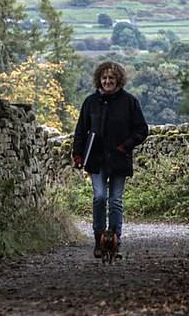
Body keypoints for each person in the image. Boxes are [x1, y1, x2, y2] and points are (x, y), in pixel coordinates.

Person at [72, 61, 148, 258]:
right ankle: (99, 239)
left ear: (118, 81)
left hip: (119, 158)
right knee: (99, 197)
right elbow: (81, 130)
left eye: (111, 78)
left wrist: (126, 145)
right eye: (104, 78)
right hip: (95, 159)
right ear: (99, 79)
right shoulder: (90, 102)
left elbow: (142, 129)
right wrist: (78, 154)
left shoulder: (129, 102)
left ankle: (114, 239)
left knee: (115, 200)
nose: (107, 81)